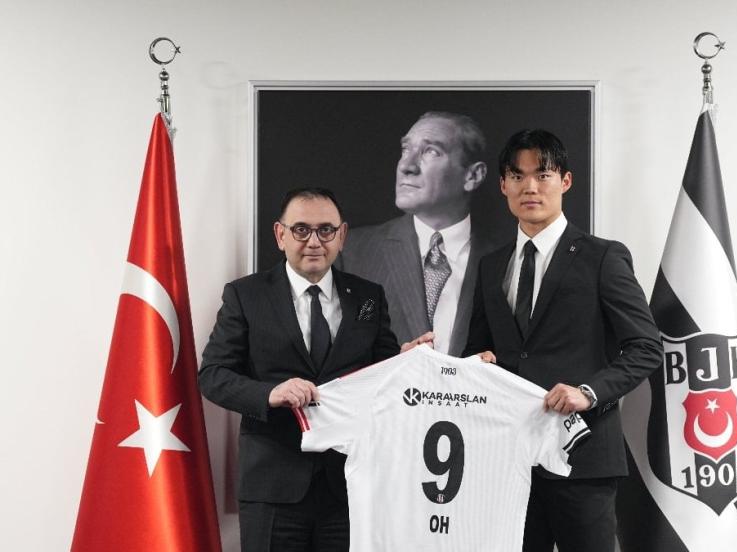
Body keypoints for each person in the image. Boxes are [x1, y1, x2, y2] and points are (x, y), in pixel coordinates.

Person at [464, 130, 663, 552]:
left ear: (565, 181)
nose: (530, 187)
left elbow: (646, 347)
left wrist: (588, 393)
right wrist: (462, 364)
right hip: (509, 459)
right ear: (503, 185)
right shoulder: (491, 265)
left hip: (584, 457)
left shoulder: (603, 257)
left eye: (543, 175)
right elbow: (477, 351)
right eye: (517, 176)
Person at [199, 187, 427, 552]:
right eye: (301, 229)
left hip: (349, 485)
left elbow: (380, 372)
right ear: (280, 235)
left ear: (342, 235)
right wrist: (269, 393)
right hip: (273, 487)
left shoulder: (368, 297)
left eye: (326, 230)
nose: (314, 241)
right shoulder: (246, 295)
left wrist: (406, 360)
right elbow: (213, 375)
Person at [341, 111, 499, 355]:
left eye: (431, 151)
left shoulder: (505, 262)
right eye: (405, 149)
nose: (406, 166)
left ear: (473, 175)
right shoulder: (351, 252)